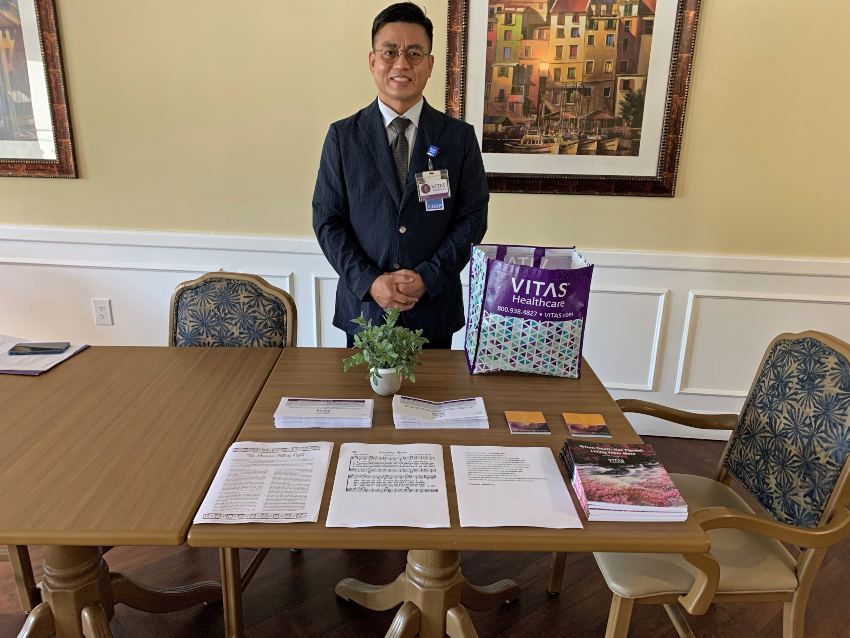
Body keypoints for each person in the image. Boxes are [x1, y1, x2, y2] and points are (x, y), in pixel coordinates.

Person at [312, 2, 488, 349]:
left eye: (414, 53)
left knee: (433, 402)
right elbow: (327, 221)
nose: (401, 64)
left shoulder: (458, 138)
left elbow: (472, 218)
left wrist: (427, 276)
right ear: (372, 60)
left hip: (433, 310)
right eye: (389, 52)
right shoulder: (343, 136)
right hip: (365, 308)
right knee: (366, 402)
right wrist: (370, 281)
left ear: (431, 63)